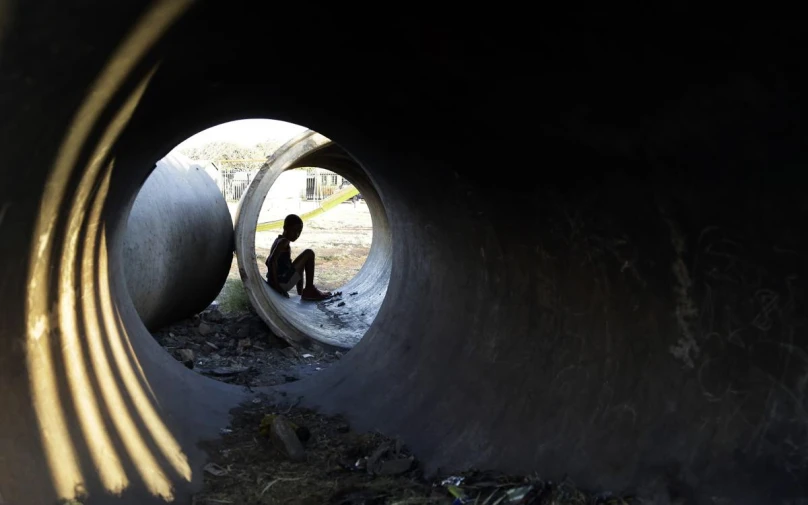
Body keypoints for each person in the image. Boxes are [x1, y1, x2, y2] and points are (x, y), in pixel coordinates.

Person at [265, 214, 332, 301]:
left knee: (299, 264)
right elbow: (270, 261)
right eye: (294, 230)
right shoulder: (283, 242)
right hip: (281, 282)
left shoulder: (279, 240)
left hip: (279, 280)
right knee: (309, 253)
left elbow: (271, 261)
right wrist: (277, 286)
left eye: (299, 231)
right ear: (285, 228)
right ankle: (309, 289)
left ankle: (302, 293)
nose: (297, 234)